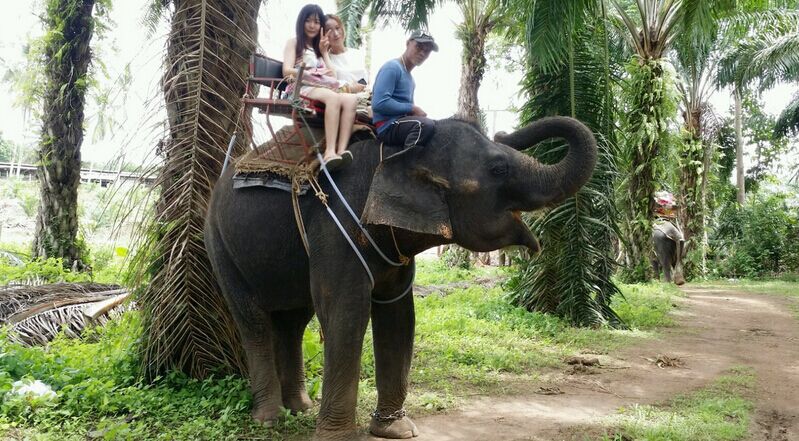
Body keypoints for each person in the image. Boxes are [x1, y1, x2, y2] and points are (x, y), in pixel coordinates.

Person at [283, 4, 358, 169]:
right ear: (301, 22)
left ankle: (341, 149)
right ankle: (329, 152)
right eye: (308, 21)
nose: (312, 26)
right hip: (301, 87)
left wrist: (324, 52)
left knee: (351, 99)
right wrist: (308, 73)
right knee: (333, 98)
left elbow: (333, 76)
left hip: (320, 87)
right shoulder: (294, 43)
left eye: (316, 22)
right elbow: (286, 70)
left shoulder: (319, 47)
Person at [372, 30, 438, 150]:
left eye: (427, 50)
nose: (422, 53)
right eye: (419, 47)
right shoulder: (392, 68)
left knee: (436, 126)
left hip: (401, 122)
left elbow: (407, 110)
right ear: (408, 43)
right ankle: (406, 161)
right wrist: (412, 108)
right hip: (387, 125)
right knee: (424, 125)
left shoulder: (411, 80)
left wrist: (416, 113)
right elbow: (379, 103)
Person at [324, 14, 368, 93]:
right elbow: (331, 86)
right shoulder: (326, 60)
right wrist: (351, 89)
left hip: (365, 97)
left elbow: (366, 79)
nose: (336, 34)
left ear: (342, 28)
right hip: (343, 99)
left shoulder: (357, 53)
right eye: (329, 30)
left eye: (337, 28)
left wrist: (359, 86)